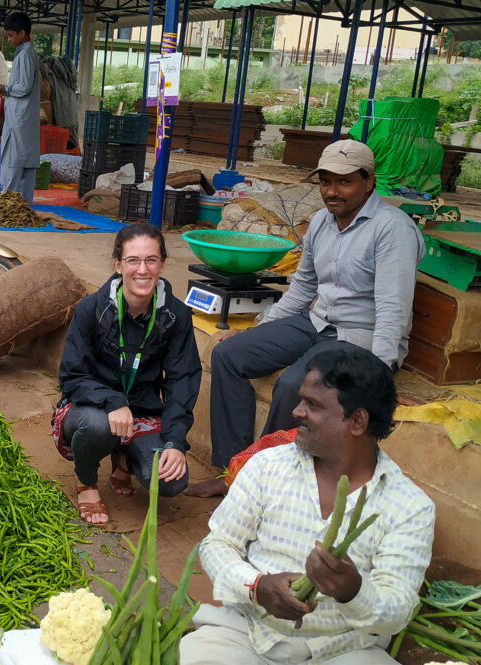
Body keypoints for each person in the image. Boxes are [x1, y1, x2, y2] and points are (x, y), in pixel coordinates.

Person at [186, 139, 425, 498]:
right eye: (325, 181)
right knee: (229, 355)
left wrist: (381, 374)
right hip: (314, 321)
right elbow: (301, 290)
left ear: (369, 181)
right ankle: (232, 471)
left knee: (294, 385)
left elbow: (393, 308)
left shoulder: (393, 229)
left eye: (344, 181)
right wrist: (258, 330)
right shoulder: (321, 224)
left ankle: (269, 484)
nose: (332, 191)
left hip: (357, 336)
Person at [180, 346, 435, 665]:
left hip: (344, 648)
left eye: (312, 405)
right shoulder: (267, 466)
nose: (297, 411)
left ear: (356, 421)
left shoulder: (410, 506)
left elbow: (396, 610)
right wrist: (257, 587)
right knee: (203, 655)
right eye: (302, 400)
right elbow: (218, 545)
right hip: (247, 632)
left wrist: (353, 591)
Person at [55, 223, 201, 525]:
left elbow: (181, 381)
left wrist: (175, 442)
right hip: (90, 408)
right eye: (133, 260)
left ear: (162, 264)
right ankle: (87, 483)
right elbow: (72, 376)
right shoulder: (91, 309)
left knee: (172, 482)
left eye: (151, 260)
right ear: (118, 264)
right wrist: (112, 401)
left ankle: (123, 460)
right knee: (98, 426)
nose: (142, 270)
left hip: (143, 415)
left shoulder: (176, 316)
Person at [0, 12, 40, 204]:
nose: (9, 40)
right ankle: (23, 205)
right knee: (23, 164)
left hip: (20, 119)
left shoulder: (26, 54)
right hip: (22, 118)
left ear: (22, 33)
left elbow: (25, 87)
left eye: (11, 35)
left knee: (12, 163)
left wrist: (4, 89)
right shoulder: (25, 53)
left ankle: (8, 206)